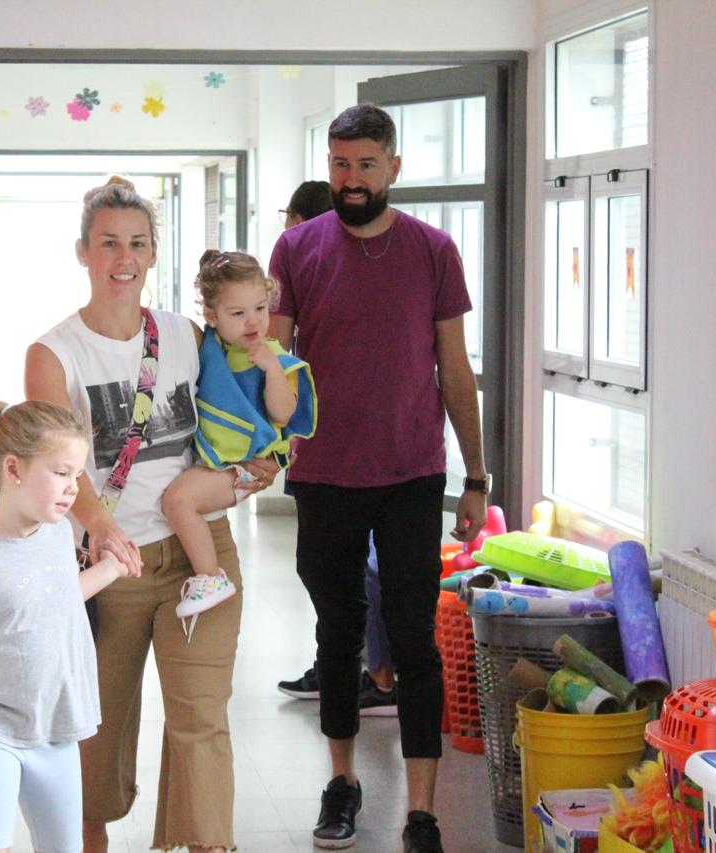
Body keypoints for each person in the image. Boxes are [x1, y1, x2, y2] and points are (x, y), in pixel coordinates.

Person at [24, 176, 276, 853]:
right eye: (109, 243)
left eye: (137, 243)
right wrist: (100, 525)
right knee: (96, 730)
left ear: (154, 253)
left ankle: (208, 844)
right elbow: (53, 466)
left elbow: (235, 413)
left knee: (201, 718)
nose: (124, 257)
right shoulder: (53, 354)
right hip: (108, 568)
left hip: (200, 555)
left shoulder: (185, 334)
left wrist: (257, 464)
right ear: (83, 251)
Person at [268, 105, 489, 853]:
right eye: (340, 164)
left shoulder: (433, 250)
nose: (352, 179)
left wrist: (476, 476)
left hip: (412, 474)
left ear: (394, 167)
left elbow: (455, 369)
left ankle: (421, 812)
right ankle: (343, 783)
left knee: (414, 642)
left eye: (366, 164)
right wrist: (259, 448)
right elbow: (273, 365)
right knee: (337, 636)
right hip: (325, 474)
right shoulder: (296, 249)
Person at [0, 400, 137, 853]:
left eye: (76, 475)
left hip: (55, 730)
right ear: (14, 468)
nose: (73, 488)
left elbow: (53, 600)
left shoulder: (57, 535)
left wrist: (111, 570)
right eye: (60, 473)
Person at [273, 180, 399, 717]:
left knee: (360, 572)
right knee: (331, 574)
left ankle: (378, 676)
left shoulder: (329, 260)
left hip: (363, 454)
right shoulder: (309, 268)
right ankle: (344, 666)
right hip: (320, 449)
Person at [161, 249, 316, 640]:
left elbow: (283, 413)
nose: (253, 321)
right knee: (179, 500)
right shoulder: (210, 348)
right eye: (238, 313)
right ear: (211, 316)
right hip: (221, 459)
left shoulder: (273, 357)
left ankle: (210, 577)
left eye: (260, 308)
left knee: (178, 501)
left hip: (247, 465)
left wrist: (273, 370)